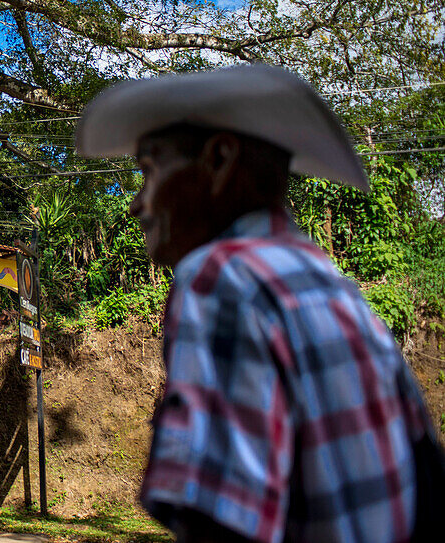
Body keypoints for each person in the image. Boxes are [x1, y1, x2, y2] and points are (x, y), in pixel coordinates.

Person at [75, 65, 444, 543]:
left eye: (149, 171)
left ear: (220, 159)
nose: (137, 203)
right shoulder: (331, 285)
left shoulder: (222, 277)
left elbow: (224, 524)